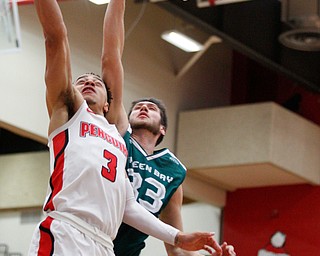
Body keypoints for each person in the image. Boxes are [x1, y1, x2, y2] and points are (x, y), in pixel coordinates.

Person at [28, 0, 224, 255]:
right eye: (81, 81)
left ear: (109, 104)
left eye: (96, 82)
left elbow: (129, 207)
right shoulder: (67, 115)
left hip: (104, 245)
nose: (89, 81)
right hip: (66, 231)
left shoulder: (119, 138)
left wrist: (178, 237)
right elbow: (55, 37)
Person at [100, 1, 236, 256]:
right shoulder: (118, 135)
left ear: (162, 129)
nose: (143, 108)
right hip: (90, 240)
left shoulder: (173, 172)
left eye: (150, 108)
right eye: (137, 107)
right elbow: (110, 60)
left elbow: (177, 249)